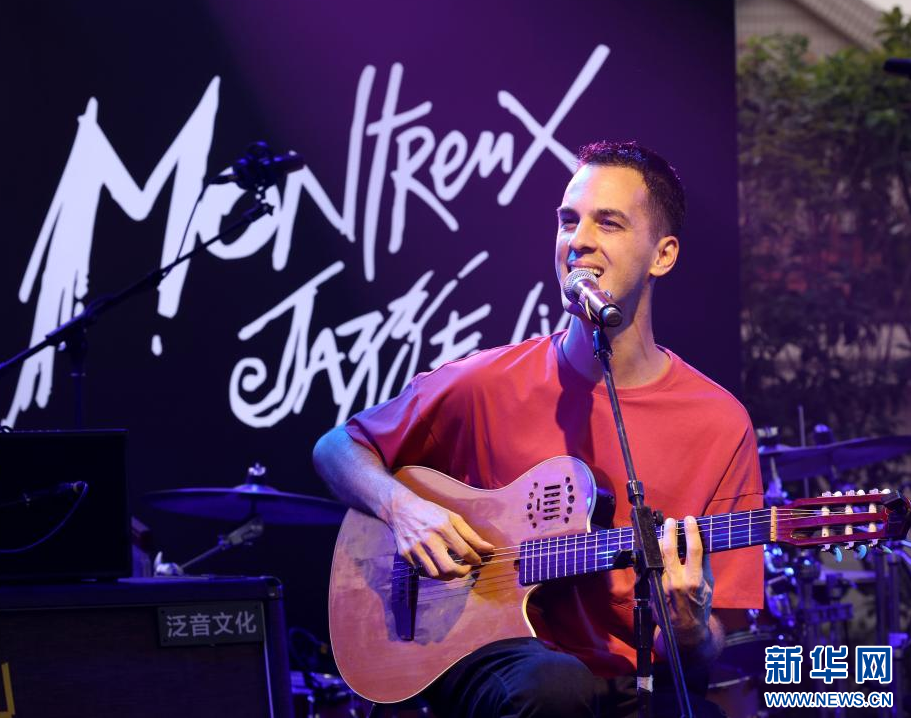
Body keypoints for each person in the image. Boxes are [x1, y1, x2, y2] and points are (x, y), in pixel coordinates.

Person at [313, 140, 764, 717]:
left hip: (632, 683)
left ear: (663, 255)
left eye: (608, 223)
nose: (578, 241)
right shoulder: (484, 383)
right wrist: (403, 510)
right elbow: (338, 448)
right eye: (568, 221)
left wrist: (690, 627)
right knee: (552, 686)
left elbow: (708, 647)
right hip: (493, 660)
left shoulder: (720, 423)